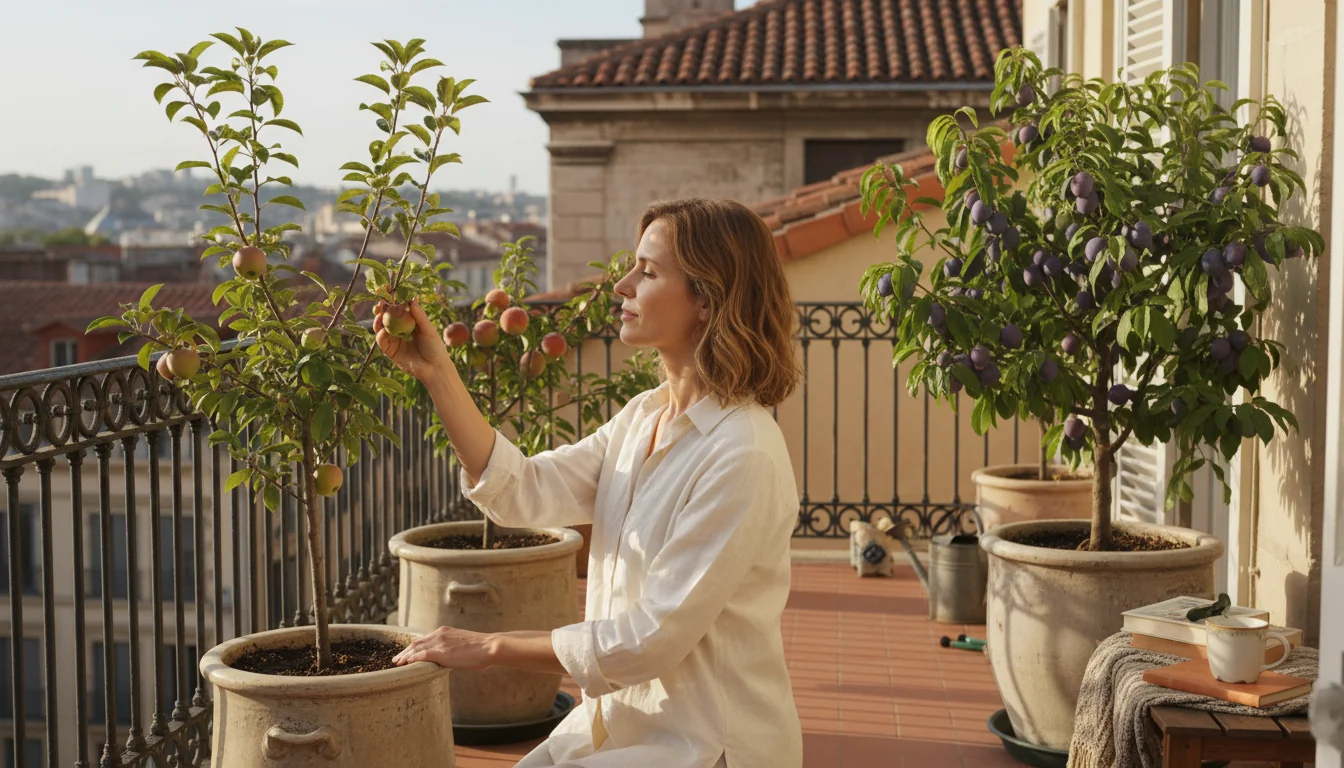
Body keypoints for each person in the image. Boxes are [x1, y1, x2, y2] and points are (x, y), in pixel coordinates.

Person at [377, 198, 804, 768]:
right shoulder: (642, 418)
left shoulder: (741, 453)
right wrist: (436, 373)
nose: (621, 285)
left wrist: (488, 647)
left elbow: (649, 640)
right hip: (618, 723)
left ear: (707, 298)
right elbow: (522, 490)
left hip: (705, 744)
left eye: (648, 272)